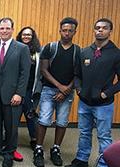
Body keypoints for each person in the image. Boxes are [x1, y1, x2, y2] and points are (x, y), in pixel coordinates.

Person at [66, 18, 120, 167]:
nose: (100, 30)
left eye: (104, 28)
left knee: (104, 136)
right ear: (94, 30)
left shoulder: (116, 54)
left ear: (110, 31)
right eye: (97, 28)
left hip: (103, 105)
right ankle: (82, 160)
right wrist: (78, 89)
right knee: (84, 133)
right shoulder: (84, 52)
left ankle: (104, 163)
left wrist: (105, 94)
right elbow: (77, 75)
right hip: (85, 103)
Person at [0, 18, 31, 167]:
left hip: (13, 96)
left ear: (12, 29)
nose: (3, 31)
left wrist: (19, 93)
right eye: (1, 28)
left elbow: (25, 73)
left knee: (11, 127)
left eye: (7, 28)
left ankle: (9, 154)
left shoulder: (22, 48)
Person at [33, 17, 80, 167]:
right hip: (48, 90)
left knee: (62, 121)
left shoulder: (78, 51)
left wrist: (66, 90)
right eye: (64, 30)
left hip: (67, 92)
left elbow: (78, 74)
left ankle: (56, 149)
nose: (67, 33)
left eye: (70, 31)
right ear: (60, 31)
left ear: (74, 32)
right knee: (44, 119)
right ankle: (39, 149)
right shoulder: (50, 47)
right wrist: (60, 86)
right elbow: (44, 70)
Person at [15, 26, 42, 149]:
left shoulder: (37, 52)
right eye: (24, 34)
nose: (26, 37)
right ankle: (10, 138)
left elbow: (40, 72)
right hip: (16, 88)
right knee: (14, 115)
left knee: (30, 114)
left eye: (29, 35)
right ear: (20, 36)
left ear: (33, 37)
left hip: (30, 89)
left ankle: (34, 139)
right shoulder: (15, 49)